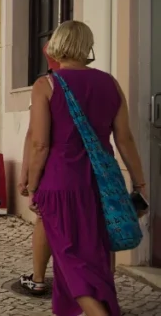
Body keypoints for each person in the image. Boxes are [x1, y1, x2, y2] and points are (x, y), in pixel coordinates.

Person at [26, 21, 148, 316]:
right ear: (87, 46)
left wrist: (32, 186)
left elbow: (40, 144)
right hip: (102, 185)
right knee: (96, 256)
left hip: (61, 184)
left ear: (56, 44)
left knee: (70, 262)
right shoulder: (110, 83)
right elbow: (125, 138)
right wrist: (140, 183)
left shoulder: (47, 84)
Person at [17, 44, 62, 296]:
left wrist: (28, 179)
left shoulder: (47, 84)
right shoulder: (99, 81)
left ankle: (38, 278)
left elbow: (36, 138)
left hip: (55, 169)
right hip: (90, 169)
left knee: (45, 218)